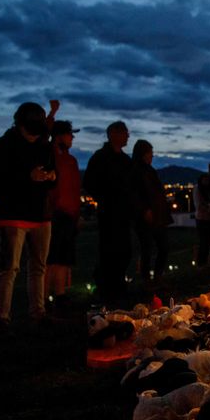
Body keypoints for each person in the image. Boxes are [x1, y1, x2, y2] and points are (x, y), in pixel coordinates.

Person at [0, 102, 56, 336]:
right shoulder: (3, 146)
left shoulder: (42, 146)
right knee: (9, 268)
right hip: (13, 214)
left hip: (40, 214)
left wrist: (50, 176)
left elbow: (52, 177)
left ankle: (38, 313)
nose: (33, 136)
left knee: (38, 267)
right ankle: (1, 320)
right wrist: (28, 177)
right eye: (30, 131)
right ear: (18, 124)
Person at [83, 121, 132, 301]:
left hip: (123, 213)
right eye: (125, 133)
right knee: (109, 250)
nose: (128, 136)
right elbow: (89, 183)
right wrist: (106, 196)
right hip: (109, 212)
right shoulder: (101, 157)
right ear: (113, 134)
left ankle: (118, 284)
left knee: (124, 250)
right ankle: (107, 287)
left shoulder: (126, 160)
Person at [45, 119, 81, 308]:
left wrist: (77, 214)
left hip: (69, 215)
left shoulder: (71, 160)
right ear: (59, 136)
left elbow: (75, 189)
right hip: (55, 213)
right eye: (69, 134)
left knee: (64, 257)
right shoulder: (49, 157)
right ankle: (43, 298)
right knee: (51, 257)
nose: (72, 138)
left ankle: (59, 294)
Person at [130, 139, 173, 288]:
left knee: (163, 246)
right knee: (146, 248)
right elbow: (135, 193)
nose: (152, 156)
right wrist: (144, 210)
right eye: (150, 153)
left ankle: (157, 276)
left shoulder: (150, 171)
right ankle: (147, 278)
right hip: (146, 217)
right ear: (143, 154)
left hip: (158, 215)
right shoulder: (136, 171)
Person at [193, 173, 210, 266]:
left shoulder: (207, 190)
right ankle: (201, 263)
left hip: (209, 219)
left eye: (207, 180)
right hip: (202, 219)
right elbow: (199, 205)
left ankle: (204, 262)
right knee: (204, 242)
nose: (206, 182)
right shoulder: (198, 189)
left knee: (208, 241)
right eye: (204, 180)